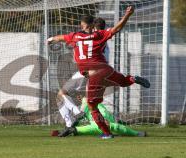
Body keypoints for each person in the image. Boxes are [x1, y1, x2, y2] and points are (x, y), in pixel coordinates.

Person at [48, 6, 150, 139]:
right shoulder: (99, 35)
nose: (82, 27)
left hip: (92, 74)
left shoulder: (75, 36)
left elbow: (60, 37)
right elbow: (116, 29)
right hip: (106, 69)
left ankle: (105, 132)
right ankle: (133, 78)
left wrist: (50, 39)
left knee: (91, 105)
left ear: (86, 25)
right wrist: (127, 15)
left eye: (82, 25)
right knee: (124, 82)